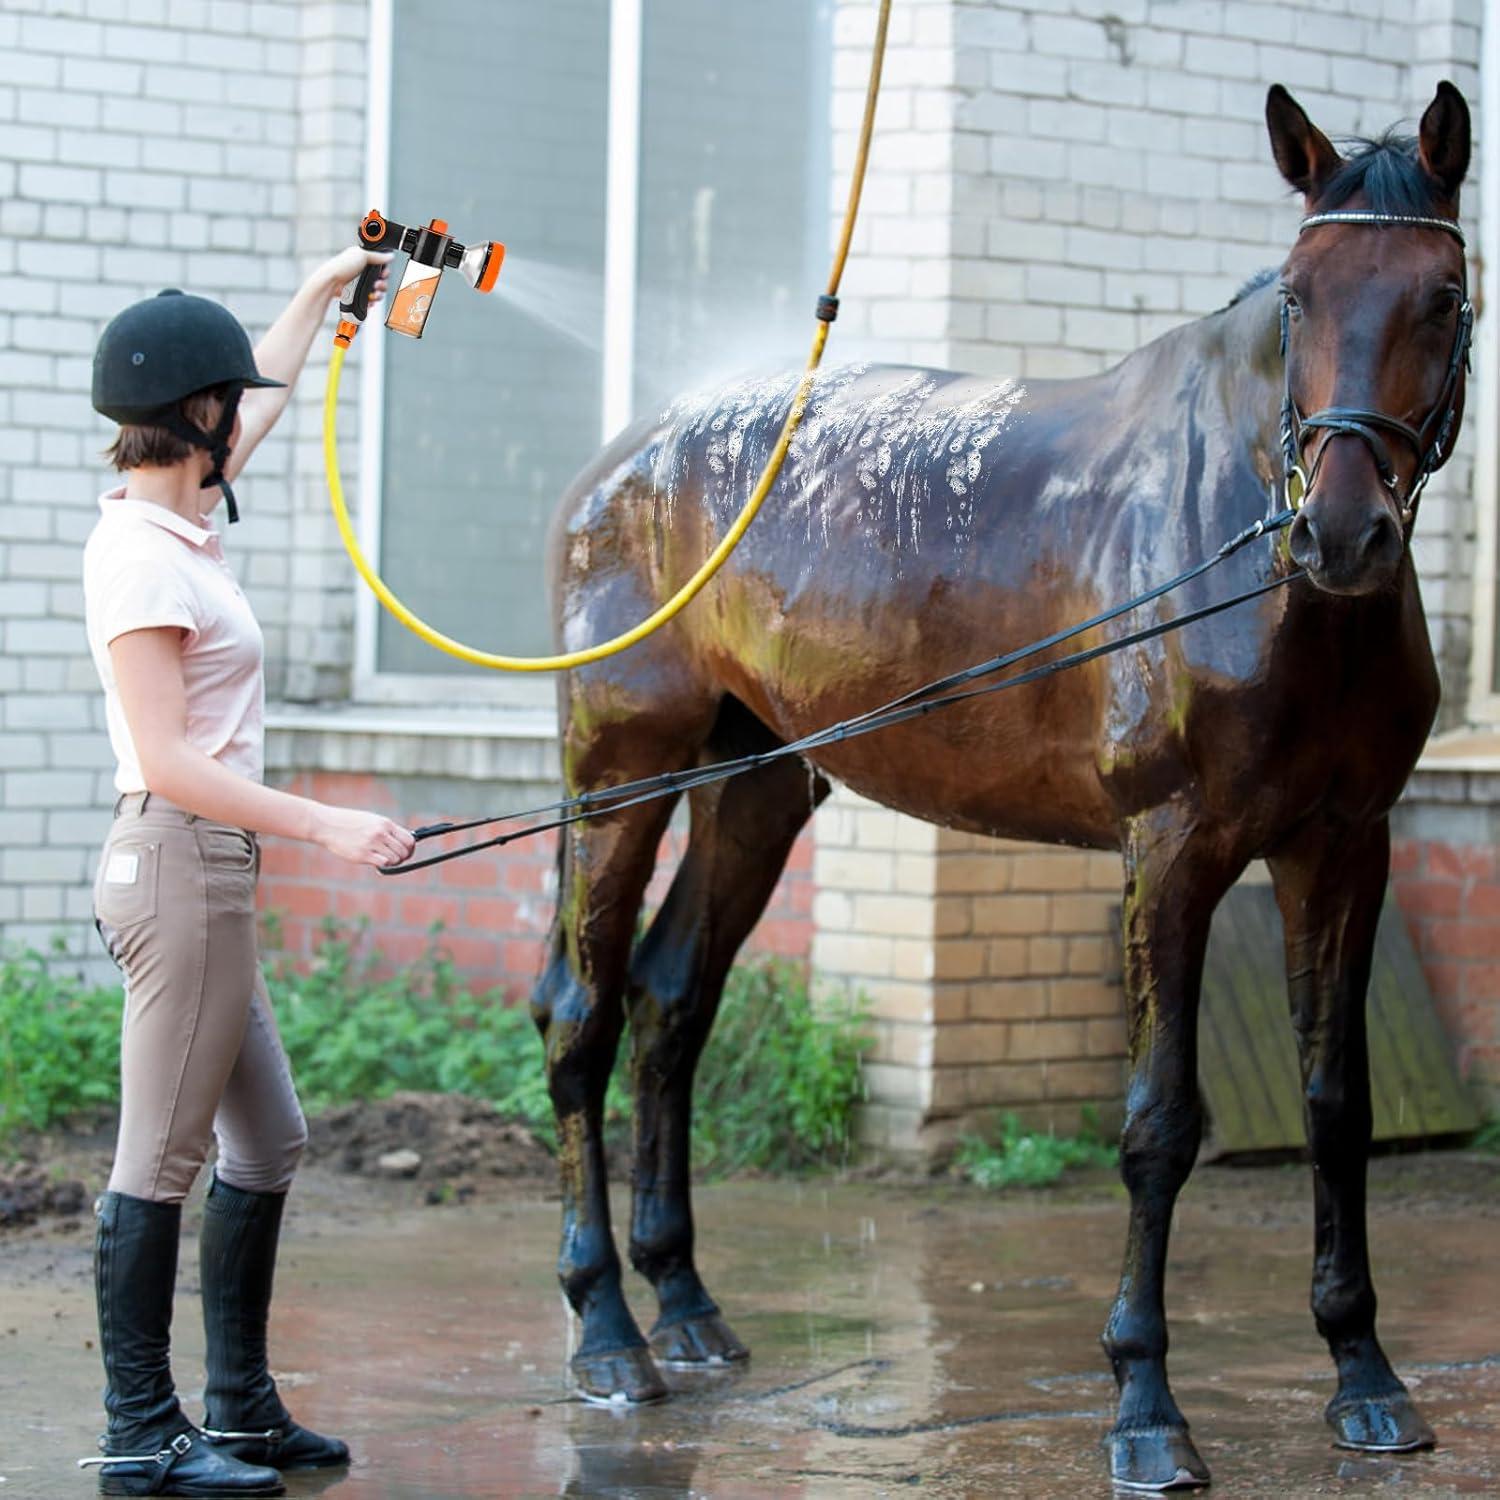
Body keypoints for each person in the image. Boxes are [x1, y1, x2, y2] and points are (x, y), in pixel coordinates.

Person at [79, 255, 415, 1497]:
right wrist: (327, 827)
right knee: (155, 1159)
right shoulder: (145, 563)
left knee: (268, 1140)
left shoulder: (180, 514)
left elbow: (262, 392)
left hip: (208, 873)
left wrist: (329, 290)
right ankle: (141, 1433)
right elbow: (167, 758)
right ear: (199, 419)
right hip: (176, 863)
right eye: (230, 403)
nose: (245, 415)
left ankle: (240, 1407)